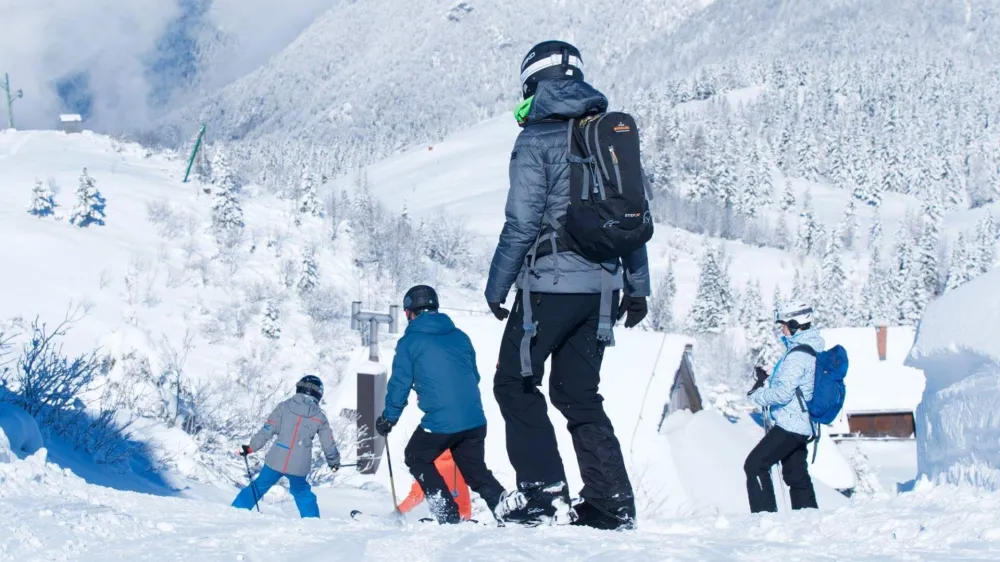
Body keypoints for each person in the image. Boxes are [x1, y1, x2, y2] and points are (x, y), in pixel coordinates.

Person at [484, 40, 651, 530]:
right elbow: (632, 219)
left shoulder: (536, 140)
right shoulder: (605, 136)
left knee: (514, 383)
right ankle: (611, 503)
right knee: (578, 394)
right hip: (603, 293)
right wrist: (637, 287)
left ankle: (544, 494)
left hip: (550, 286)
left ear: (532, 84)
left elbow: (521, 223)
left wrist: (497, 286)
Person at [374, 285, 526, 525]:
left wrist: (388, 419)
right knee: (475, 471)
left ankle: (447, 514)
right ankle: (506, 510)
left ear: (409, 312)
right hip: (474, 420)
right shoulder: (460, 336)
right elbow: (473, 376)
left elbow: (399, 386)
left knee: (415, 455)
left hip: (442, 421)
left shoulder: (410, 342)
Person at [745, 301, 822, 513]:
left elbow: (783, 393)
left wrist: (757, 395)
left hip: (791, 424)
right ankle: (808, 518)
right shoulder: (810, 348)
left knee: (755, 465)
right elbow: (795, 384)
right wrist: (771, 377)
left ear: (796, 324)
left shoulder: (797, 356)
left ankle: (765, 518)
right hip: (803, 423)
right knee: (796, 475)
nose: (782, 329)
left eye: (784, 325)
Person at [232, 375, 340, 518]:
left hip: (276, 459)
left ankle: (235, 511)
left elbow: (267, 430)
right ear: (318, 394)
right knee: (302, 494)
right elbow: (328, 443)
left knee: (258, 487)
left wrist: (250, 448)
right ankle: (312, 522)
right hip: (299, 464)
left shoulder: (284, 407)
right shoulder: (319, 417)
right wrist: (334, 462)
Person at [398, 449, 473, 521]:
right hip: (465, 518)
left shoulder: (429, 469)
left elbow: (415, 496)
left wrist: (398, 511)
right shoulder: (461, 462)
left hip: (446, 520)